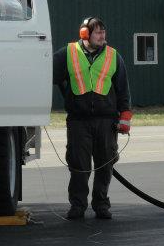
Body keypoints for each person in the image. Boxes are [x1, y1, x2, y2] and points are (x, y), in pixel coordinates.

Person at [52, 16, 133, 220]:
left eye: (103, 32)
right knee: (79, 165)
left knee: (105, 164)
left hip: (107, 121)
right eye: (98, 32)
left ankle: (101, 204)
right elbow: (49, 75)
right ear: (85, 34)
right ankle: (78, 205)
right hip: (78, 120)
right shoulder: (68, 53)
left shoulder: (113, 56)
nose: (102, 36)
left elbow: (123, 89)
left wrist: (125, 115)